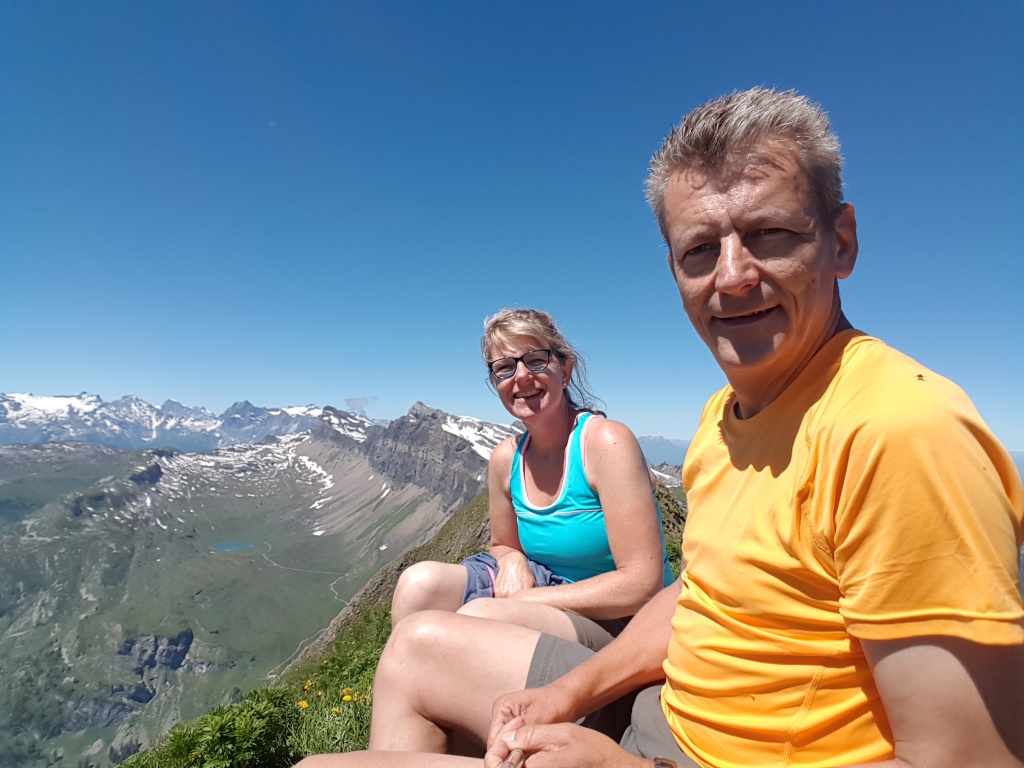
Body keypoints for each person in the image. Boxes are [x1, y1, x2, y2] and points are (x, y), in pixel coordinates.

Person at [295, 88, 1024, 768]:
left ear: (842, 242)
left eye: (770, 234)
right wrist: (568, 694)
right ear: (674, 269)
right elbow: (695, 595)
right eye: (700, 249)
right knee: (416, 646)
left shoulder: (898, 433)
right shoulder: (722, 417)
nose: (732, 276)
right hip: (664, 708)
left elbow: (969, 759)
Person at [389, 307, 675, 650]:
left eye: (536, 360)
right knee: (417, 585)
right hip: (545, 586)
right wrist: (512, 560)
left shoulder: (605, 443)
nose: (522, 377)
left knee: (485, 616)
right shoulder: (505, 458)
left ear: (565, 370)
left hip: (627, 618)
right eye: (504, 368)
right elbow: (503, 543)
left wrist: (523, 601)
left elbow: (642, 585)